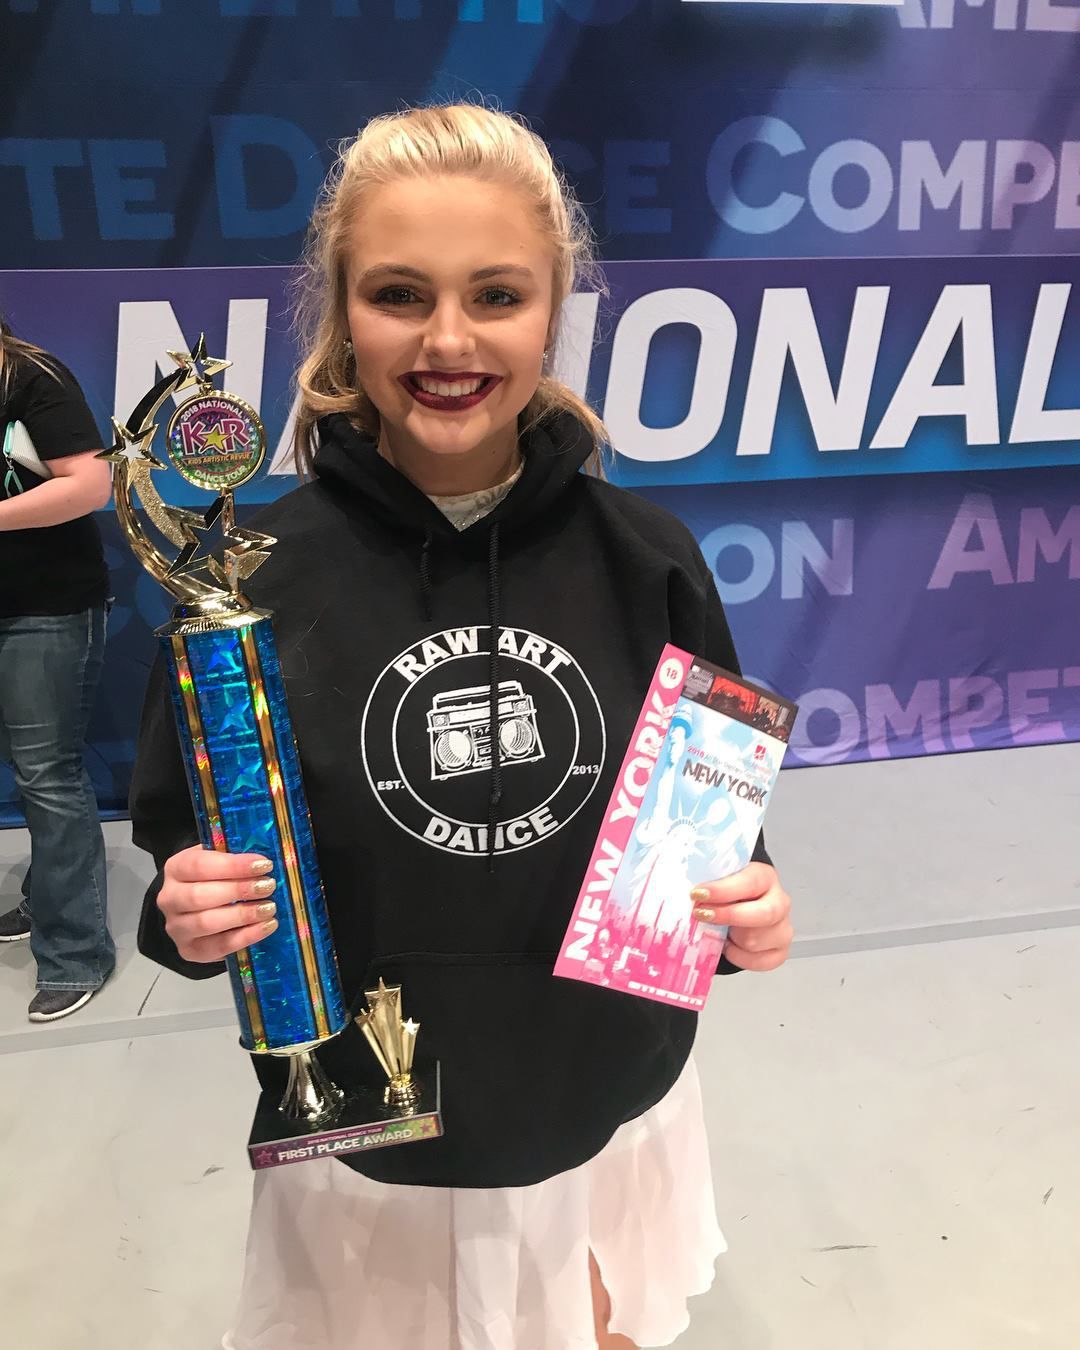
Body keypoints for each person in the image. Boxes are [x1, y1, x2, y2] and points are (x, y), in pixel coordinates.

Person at [130, 105, 794, 1350]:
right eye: (398, 294)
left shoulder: (649, 560)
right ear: (341, 315)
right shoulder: (250, 581)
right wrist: (190, 910)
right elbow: (183, 844)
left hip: (596, 1091)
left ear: (553, 313)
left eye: (496, 294)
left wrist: (746, 904)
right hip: (366, 1128)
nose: (447, 339)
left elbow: (711, 835)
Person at [0, 321, 115, 1021]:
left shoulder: (31, 377)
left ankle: (75, 954)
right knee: (26, 765)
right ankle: (46, 897)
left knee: (46, 773)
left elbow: (89, 484)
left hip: (45, 606)